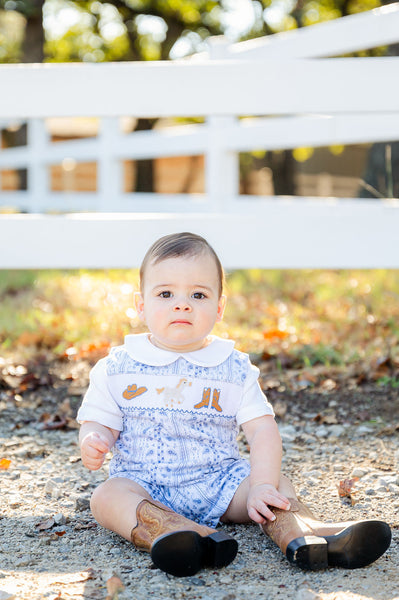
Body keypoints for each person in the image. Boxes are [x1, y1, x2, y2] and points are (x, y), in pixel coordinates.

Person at [77, 232, 391, 577]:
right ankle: (170, 533)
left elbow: (262, 431)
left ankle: (305, 533)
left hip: (220, 483)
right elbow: (98, 421)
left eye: (198, 294)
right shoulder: (117, 366)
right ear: (140, 305)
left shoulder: (232, 367)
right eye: (165, 294)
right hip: (143, 484)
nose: (182, 304)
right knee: (106, 497)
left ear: (219, 308)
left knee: (277, 483)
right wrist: (94, 438)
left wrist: (261, 486)